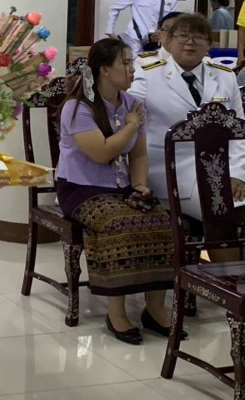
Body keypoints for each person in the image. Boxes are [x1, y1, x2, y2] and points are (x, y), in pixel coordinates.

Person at [56, 39, 176, 343]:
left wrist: (140, 186)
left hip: (121, 186)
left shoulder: (131, 104)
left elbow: (139, 155)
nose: (131, 69)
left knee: (160, 219)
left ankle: (155, 309)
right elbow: (103, 153)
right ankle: (116, 313)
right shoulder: (77, 107)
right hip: (81, 188)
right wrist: (132, 126)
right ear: (105, 70)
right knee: (117, 224)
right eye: (124, 62)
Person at [128, 13, 245, 221]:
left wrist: (238, 173)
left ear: (209, 44)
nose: (190, 42)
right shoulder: (147, 75)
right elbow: (124, 112)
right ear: (168, 41)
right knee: (223, 212)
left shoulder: (225, 76)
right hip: (169, 172)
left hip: (220, 169)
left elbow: (239, 133)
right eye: (183, 36)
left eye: (199, 37)